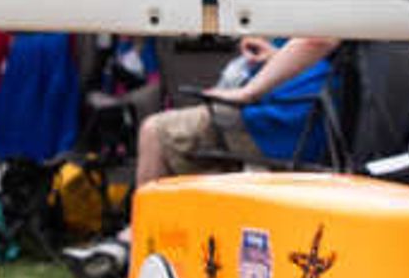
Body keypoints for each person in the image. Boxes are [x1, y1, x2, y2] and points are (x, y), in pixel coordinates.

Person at [134, 34, 342, 184]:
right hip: (290, 119)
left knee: (154, 131)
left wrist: (249, 92)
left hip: (280, 123)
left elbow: (319, 40)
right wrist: (275, 55)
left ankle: (138, 234)